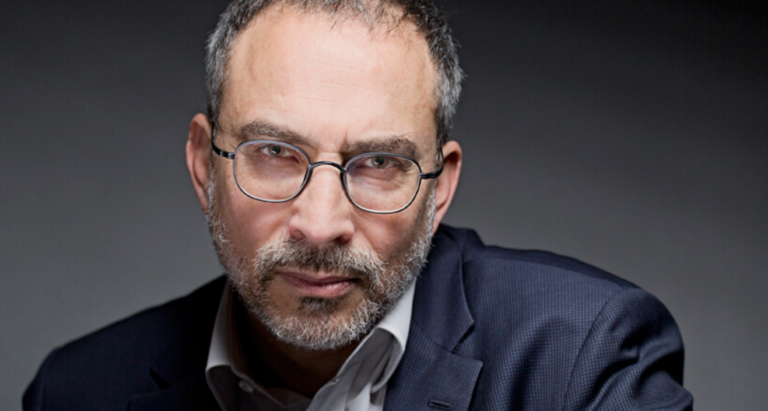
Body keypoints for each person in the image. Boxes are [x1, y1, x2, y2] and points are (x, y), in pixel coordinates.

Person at [23, 0, 694, 410]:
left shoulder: (583, 362)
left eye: (378, 164)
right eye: (274, 152)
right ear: (205, 165)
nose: (320, 225)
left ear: (438, 187)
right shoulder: (78, 392)